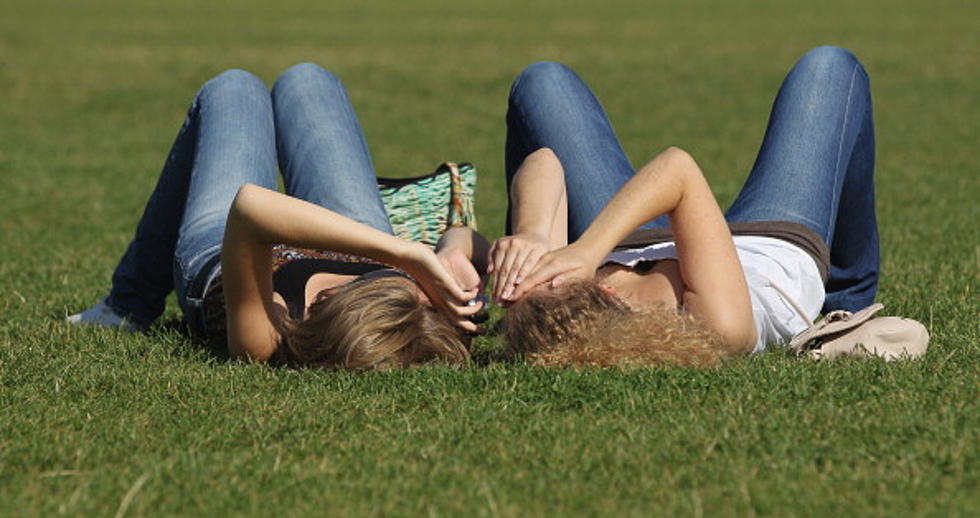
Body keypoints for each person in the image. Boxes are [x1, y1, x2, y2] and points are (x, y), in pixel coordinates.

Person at [67, 63, 488, 370]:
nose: (328, 291)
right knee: (308, 79)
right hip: (355, 236)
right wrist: (452, 253)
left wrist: (405, 253)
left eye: (328, 300)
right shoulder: (408, 320)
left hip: (226, 244)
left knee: (233, 89)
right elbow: (470, 238)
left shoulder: (266, 339)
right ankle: (127, 303)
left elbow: (251, 209)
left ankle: (128, 306)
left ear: (321, 319)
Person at [489, 46, 880, 367]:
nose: (548, 274)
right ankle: (850, 293)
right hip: (768, 245)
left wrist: (533, 235)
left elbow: (543, 162)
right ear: (606, 292)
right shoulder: (716, 325)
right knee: (830, 68)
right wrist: (588, 250)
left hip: (637, 239)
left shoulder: (553, 309)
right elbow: (678, 170)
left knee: (541, 82)